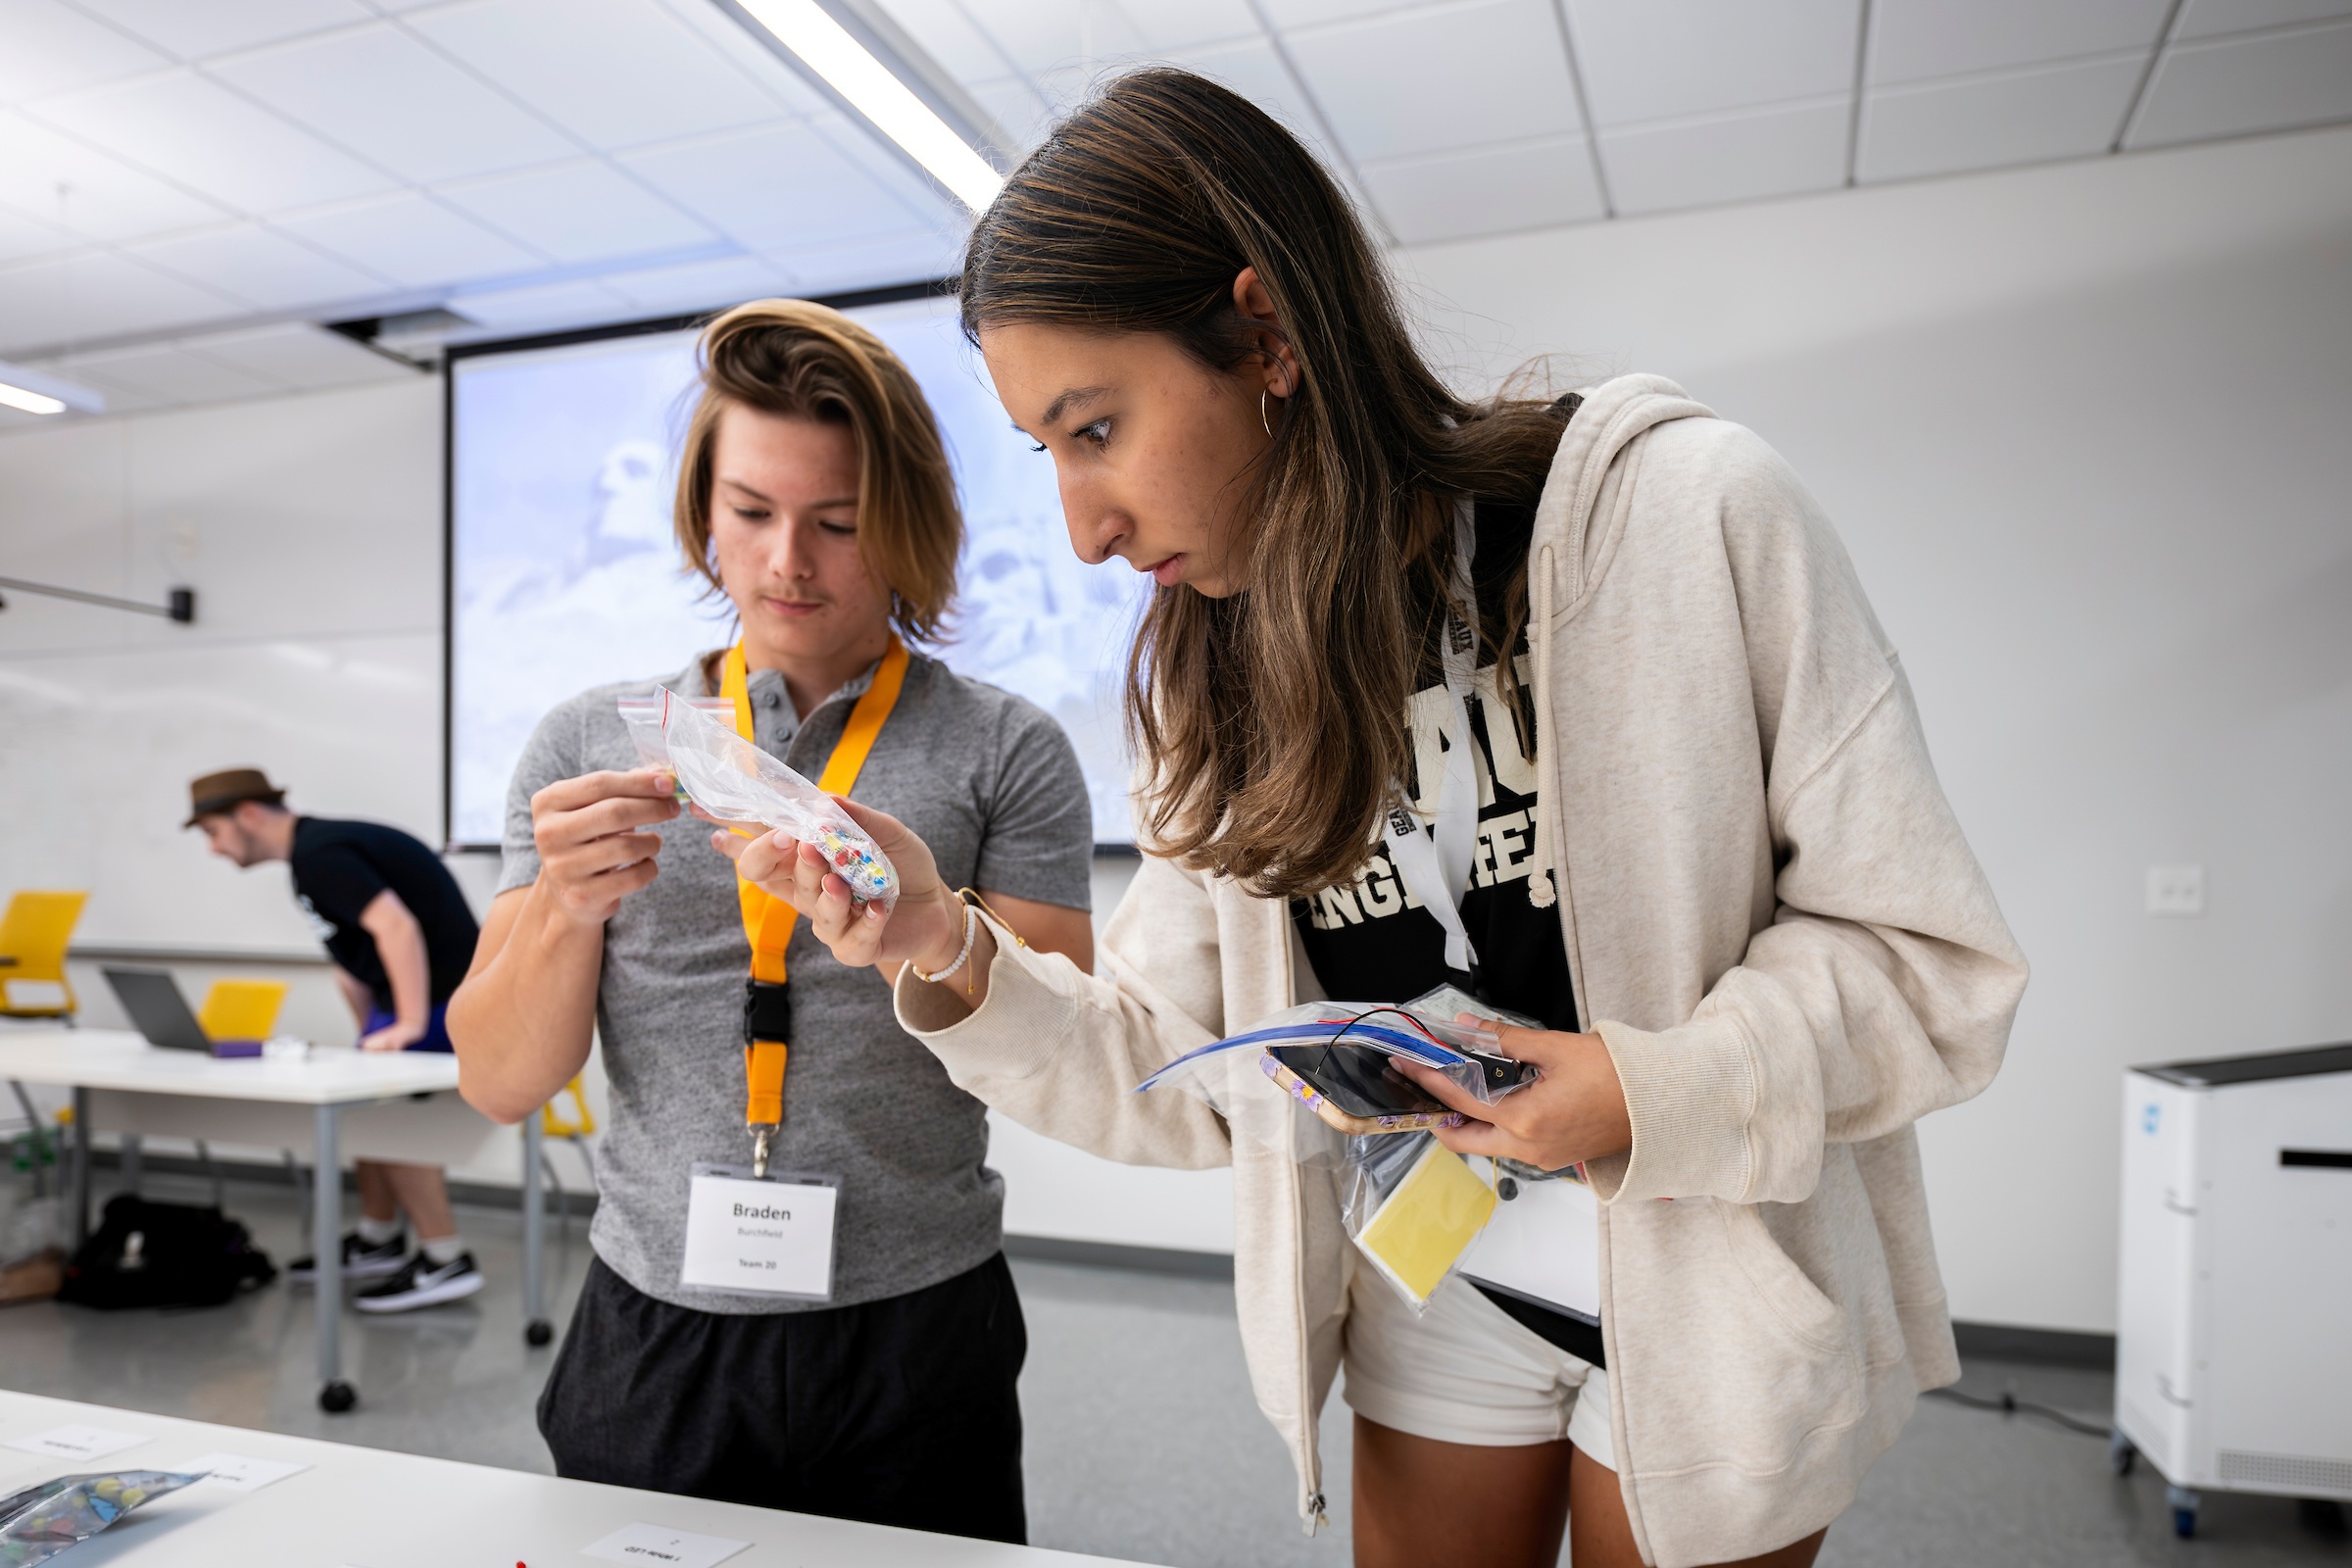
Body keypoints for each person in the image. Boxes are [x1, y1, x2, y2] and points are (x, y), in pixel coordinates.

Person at [757, 70, 2030, 1568]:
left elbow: (1925, 960)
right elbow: (1182, 1071)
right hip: (1446, 1273)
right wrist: (943, 943)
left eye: (1096, 427)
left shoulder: (1688, 518)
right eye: (1049, 452)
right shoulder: (1217, 676)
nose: (1085, 532)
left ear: (1267, 336)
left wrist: (1647, 1089)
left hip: (1710, 1267)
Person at [445, 300, 1094, 1544]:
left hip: (916, 1319)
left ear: (907, 523)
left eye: (837, 523)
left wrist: (926, 932)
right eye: (751, 512)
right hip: (656, 1319)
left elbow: (1062, 1060)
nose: (788, 560)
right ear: (704, 513)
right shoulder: (589, 743)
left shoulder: (1004, 747)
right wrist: (567, 909)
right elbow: (498, 1080)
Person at [187, 768, 487, 1312]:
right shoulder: (311, 860)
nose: (213, 848)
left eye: (213, 831)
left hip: (444, 1000)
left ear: (248, 814)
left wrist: (408, 1024)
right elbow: (351, 965)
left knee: (395, 1123)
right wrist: (368, 1031)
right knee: (364, 1110)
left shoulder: (320, 854)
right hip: (416, 1000)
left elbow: (396, 927)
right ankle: (378, 1239)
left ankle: (446, 1258)